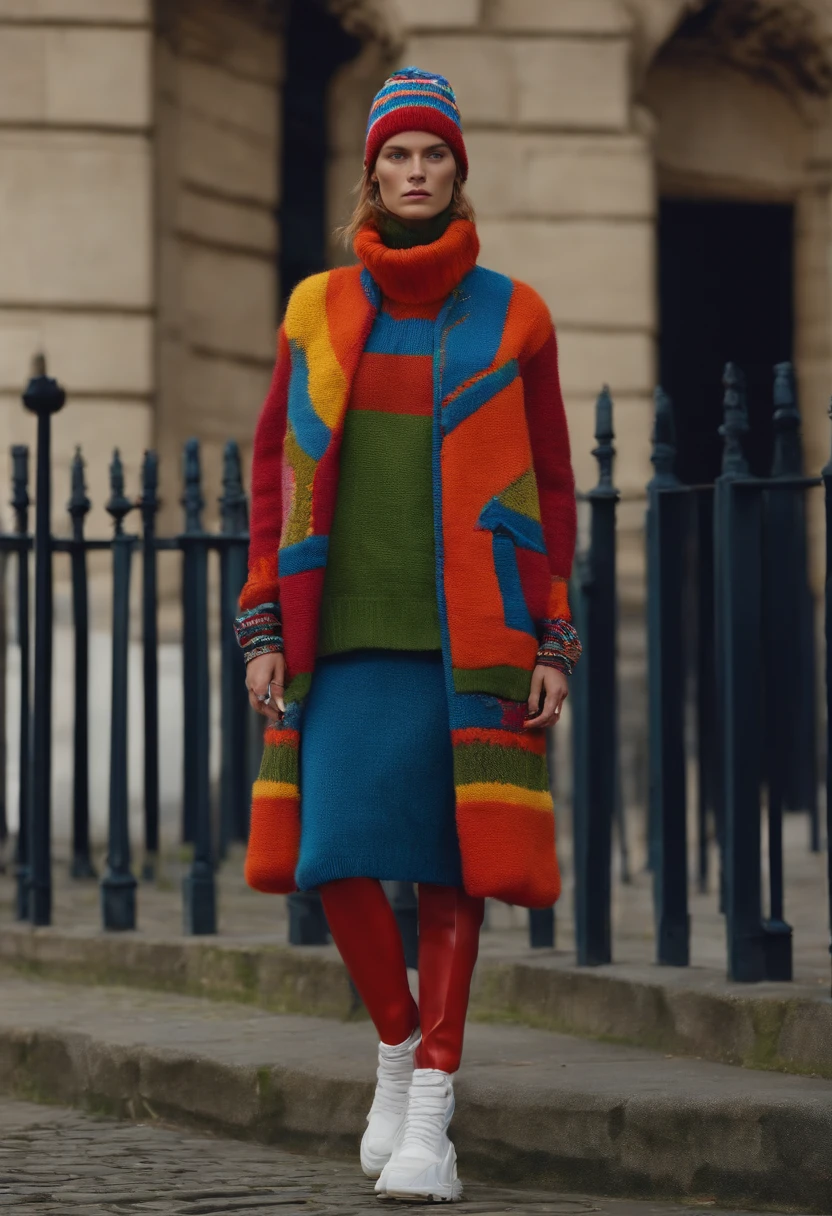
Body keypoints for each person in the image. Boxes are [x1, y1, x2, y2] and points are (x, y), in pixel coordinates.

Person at [234, 66, 581, 1203]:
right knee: (333, 856)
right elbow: (269, 475)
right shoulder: (315, 307)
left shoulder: (513, 314)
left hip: (468, 635)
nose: (417, 172)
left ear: (457, 171)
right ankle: (394, 1041)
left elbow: (555, 488)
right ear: (371, 174)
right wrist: (259, 627)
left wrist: (553, 638)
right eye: (399, 156)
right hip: (336, 631)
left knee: (446, 872)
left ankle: (431, 1105)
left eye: (435, 156)